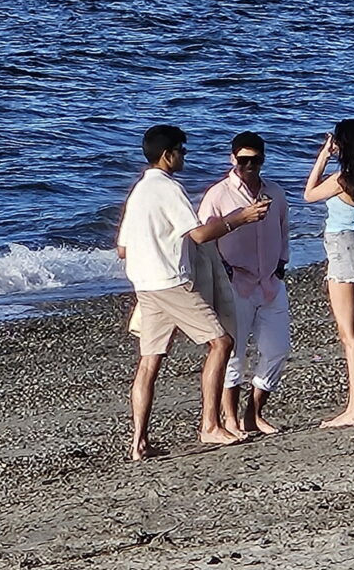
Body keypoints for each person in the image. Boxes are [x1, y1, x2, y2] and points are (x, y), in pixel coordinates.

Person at [116, 124, 270, 461]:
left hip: (144, 283)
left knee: (149, 363)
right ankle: (209, 425)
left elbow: (123, 248)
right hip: (170, 281)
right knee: (221, 342)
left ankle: (139, 442)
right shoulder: (169, 188)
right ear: (168, 154)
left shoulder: (138, 191)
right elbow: (200, 234)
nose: (184, 157)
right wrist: (240, 218)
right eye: (181, 151)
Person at [197, 131, 290, 436]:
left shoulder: (274, 192)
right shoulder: (218, 194)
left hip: (270, 281)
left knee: (277, 349)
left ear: (263, 159)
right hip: (235, 280)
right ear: (233, 159)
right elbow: (200, 236)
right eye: (244, 160)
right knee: (233, 355)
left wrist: (281, 265)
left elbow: (283, 229)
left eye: (256, 160)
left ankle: (253, 413)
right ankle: (230, 419)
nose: (250, 166)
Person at [304, 119, 354, 428]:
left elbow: (309, 193)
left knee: (349, 336)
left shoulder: (342, 178)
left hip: (343, 247)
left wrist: (322, 156)